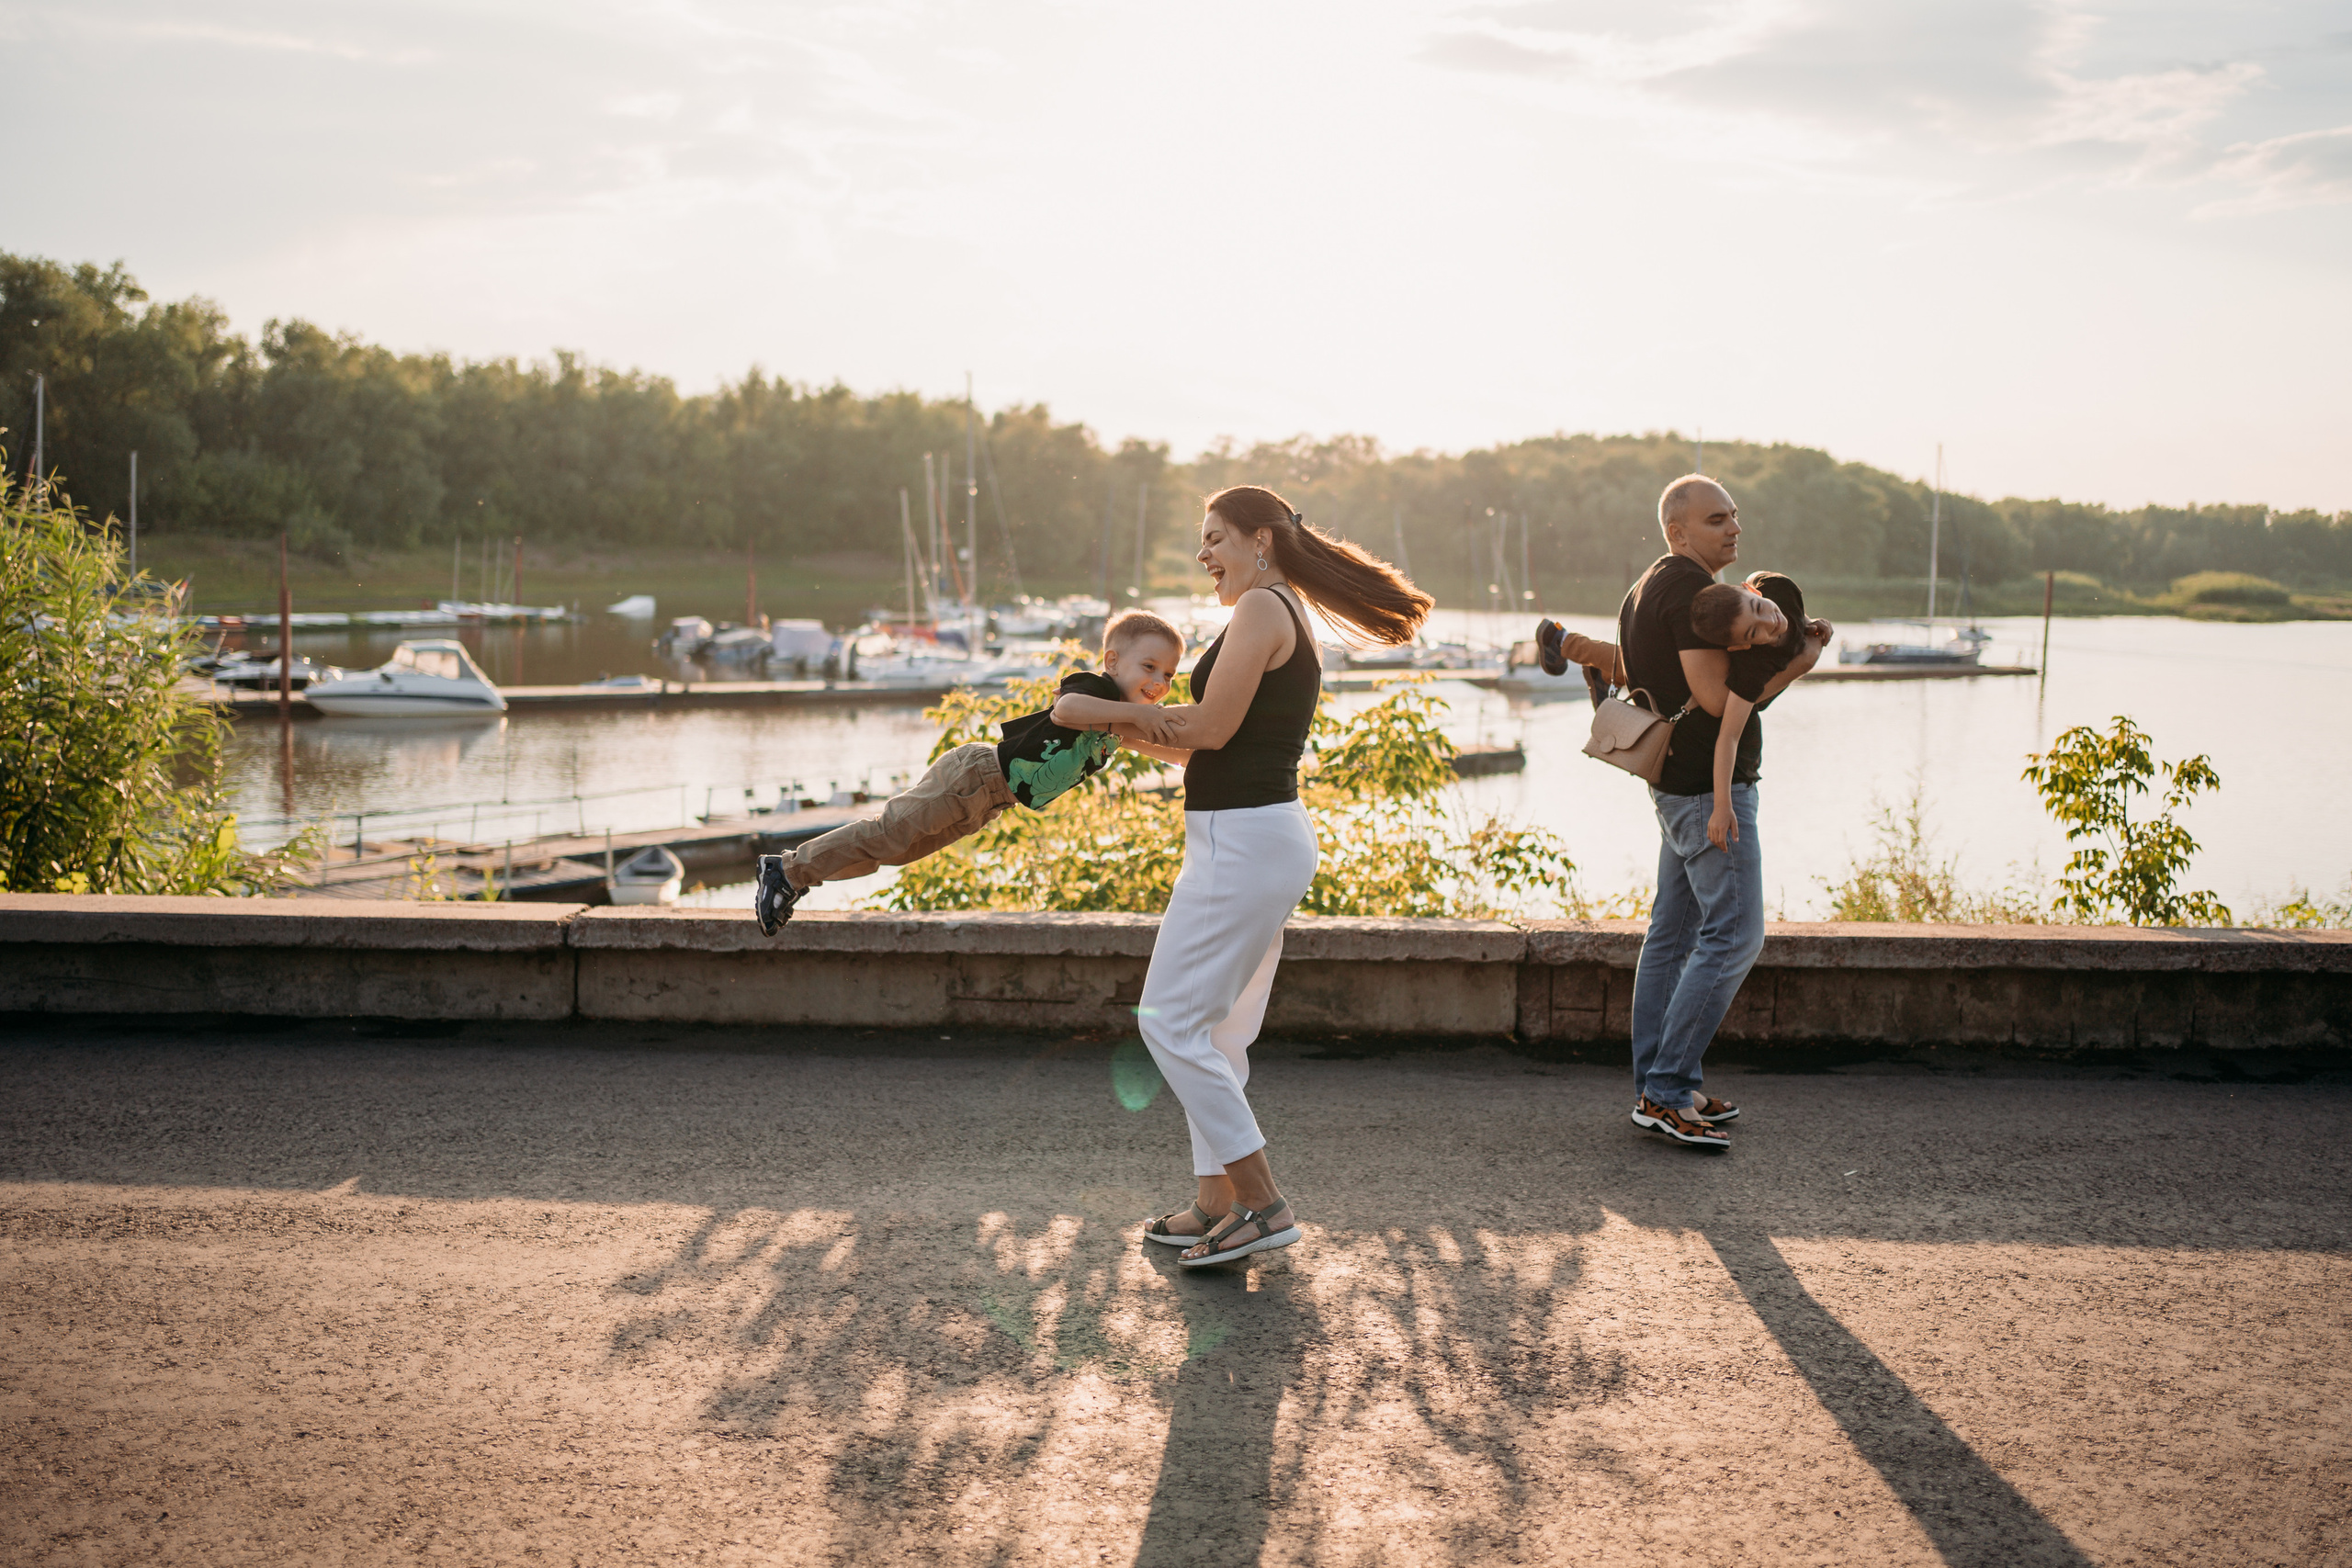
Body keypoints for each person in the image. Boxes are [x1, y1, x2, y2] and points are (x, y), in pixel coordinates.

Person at [1061, 484, 1431, 1266]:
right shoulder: (1274, 609)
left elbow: (1213, 725)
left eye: (1215, 539)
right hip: (1252, 835)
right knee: (1220, 1032)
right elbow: (1204, 742)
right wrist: (1127, 738)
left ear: (1260, 538)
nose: (1204, 556)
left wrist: (1087, 711)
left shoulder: (1263, 610)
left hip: (1243, 840)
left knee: (1166, 1021)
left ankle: (1261, 1202)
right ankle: (1215, 1203)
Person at [1561, 477, 1827, 1150]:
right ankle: (1667, 1088)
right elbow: (1715, 699)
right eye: (1716, 519)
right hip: (1710, 791)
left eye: (1735, 515)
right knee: (1735, 933)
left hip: (1676, 784)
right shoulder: (1687, 592)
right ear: (1678, 531)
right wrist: (1795, 661)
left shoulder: (1652, 582)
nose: (1733, 528)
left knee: (1672, 933)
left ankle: (1659, 1082)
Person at [750, 610, 1185, 931]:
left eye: (1168, 674)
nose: (1159, 681)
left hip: (988, 803)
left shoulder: (1119, 725)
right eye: (1149, 667)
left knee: (896, 854)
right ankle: (786, 871)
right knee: (887, 833)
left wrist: (1192, 755)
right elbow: (1066, 709)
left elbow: (1168, 752)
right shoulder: (1094, 688)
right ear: (1112, 661)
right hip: (973, 775)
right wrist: (1144, 717)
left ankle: (802, 876)